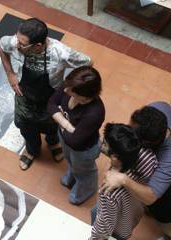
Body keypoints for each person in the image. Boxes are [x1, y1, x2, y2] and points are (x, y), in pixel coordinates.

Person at [0, 18, 91, 170]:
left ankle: (53, 143)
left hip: (50, 98)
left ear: (38, 45)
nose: (16, 45)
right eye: (17, 39)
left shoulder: (60, 53)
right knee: (26, 127)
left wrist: (67, 86)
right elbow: (1, 46)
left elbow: (87, 63)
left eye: (22, 44)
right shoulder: (15, 42)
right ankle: (31, 150)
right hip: (24, 96)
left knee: (52, 126)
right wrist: (10, 73)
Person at [100, 102, 171, 239]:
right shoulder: (158, 109)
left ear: (146, 144)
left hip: (166, 194)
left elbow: (151, 196)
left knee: (164, 213)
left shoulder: (167, 158)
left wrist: (123, 179)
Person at [48, 66, 105, 205]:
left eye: (71, 92)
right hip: (66, 138)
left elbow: (75, 141)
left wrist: (58, 117)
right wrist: (67, 125)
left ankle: (86, 188)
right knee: (70, 160)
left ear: (85, 98)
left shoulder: (95, 113)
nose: (65, 90)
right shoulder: (71, 84)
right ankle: (73, 174)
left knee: (84, 170)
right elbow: (51, 104)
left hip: (83, 149)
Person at [90, 123, 158, 240]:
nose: (102, 144)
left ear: (115, 157)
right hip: (129, 222)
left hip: (115, 230)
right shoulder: (148, 158)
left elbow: (103, 228)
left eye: (105, 144)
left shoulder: (108, 192)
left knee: (96, 214)